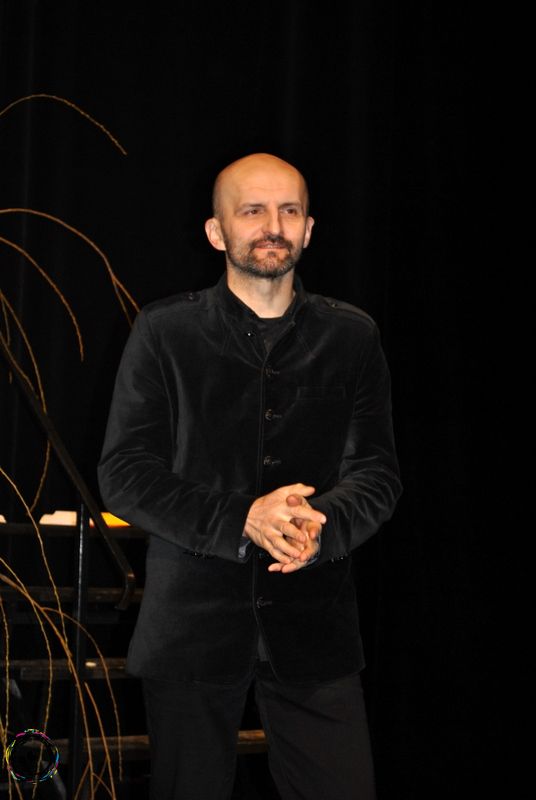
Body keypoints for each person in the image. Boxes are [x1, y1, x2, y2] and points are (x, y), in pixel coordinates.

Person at [98, 153, 402, 800]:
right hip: (190, 630)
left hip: (315, 626)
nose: (273, 226)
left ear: (309, 229)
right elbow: (125, 473)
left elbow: (377, 473)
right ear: (217, 231)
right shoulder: (164, 332)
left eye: (289, 211)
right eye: (253, 210)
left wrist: (322, 526)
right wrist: (243, 519)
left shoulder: (353, 337)